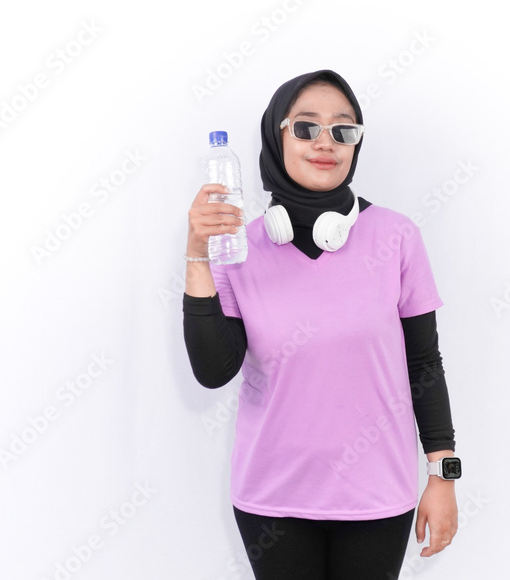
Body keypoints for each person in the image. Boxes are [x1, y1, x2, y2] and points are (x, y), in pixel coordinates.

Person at [182, 69, 460, 579]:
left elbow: (424, 362)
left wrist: (442, 475)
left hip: (378, 496)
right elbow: (213, 371)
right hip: (272, 499)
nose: (326, 142)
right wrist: (198, 255)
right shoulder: (237, 248)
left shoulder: (397, 237)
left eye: (343, 129)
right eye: (306, 127)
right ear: (277, 137)